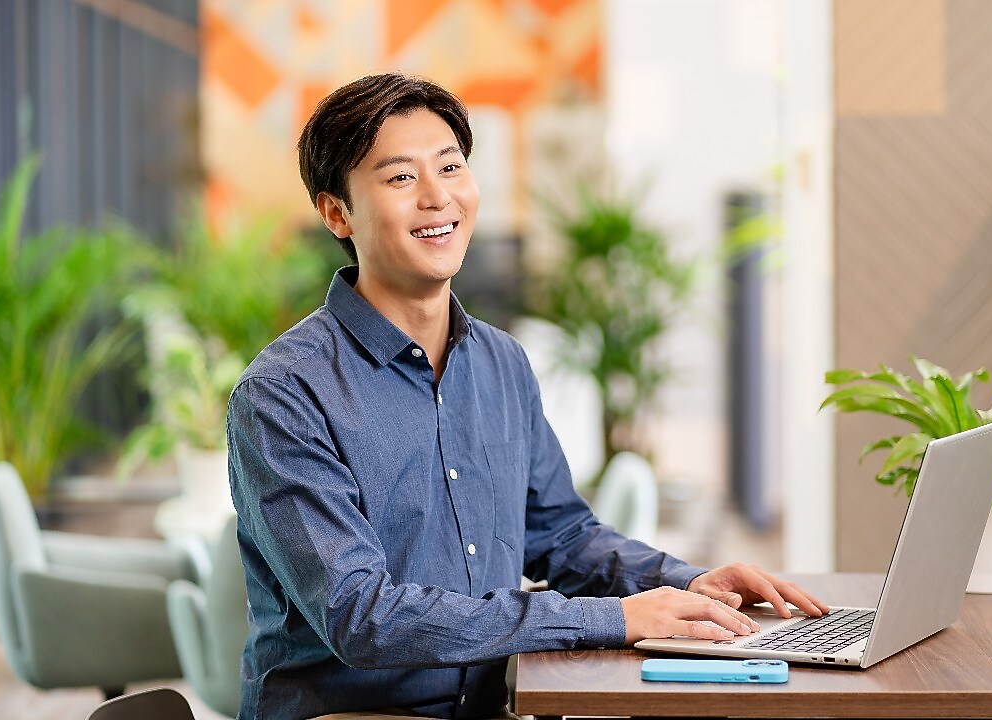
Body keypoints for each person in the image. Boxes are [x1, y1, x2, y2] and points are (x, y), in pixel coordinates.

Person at [227, 73, 830, 720]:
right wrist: (609, 619)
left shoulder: (500, 362)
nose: (438, 197)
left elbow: (563, 538)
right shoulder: (283, 395)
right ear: (336, 212)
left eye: (451, 168)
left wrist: (686, 583)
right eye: (400, 178)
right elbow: (362, 617)